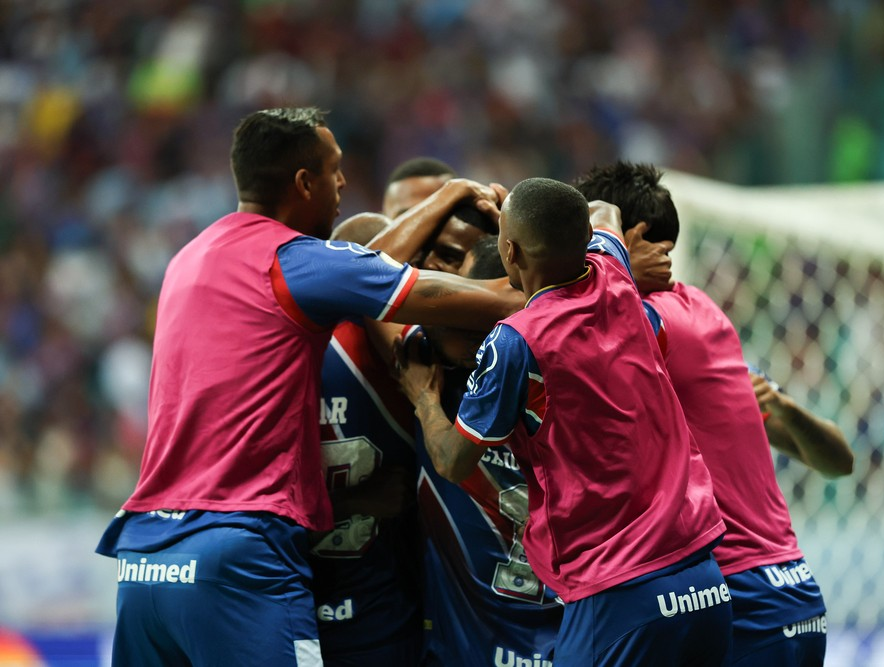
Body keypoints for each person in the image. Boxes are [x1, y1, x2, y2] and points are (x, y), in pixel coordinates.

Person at [94, 107, 520, 667]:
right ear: (304, 182)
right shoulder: (291, 262)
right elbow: (477, 299)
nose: (343, 183)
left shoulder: (186, 260)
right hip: (241, 553)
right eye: (335, 169)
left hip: (145, 559)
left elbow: (352, 266)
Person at [397, 178, 732, 666]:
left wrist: (423, 398)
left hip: (617, 593)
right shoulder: (614, 272)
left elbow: (451, 459)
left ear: (509, 251)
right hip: (704, 583)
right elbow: (603, 206)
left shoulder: (514, 340)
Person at [575, 160, 853, 666]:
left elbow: (549, 317)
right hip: (788, 589)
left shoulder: (653, 320)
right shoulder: (700, 310)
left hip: (741, 595)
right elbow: (840, 462)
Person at [307, 187, 503, 666]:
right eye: (435, 259)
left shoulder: (509, 355)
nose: (448, 278)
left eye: (461, 263)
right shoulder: (400, 345)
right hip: (321, 604)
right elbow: (364, 260)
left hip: (423, 614)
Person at [413, 234, 564, 667]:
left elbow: (361, 267)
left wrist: (424, 401)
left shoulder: (428, 377)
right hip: (564, 636)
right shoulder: (574, 374)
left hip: (476, 644)